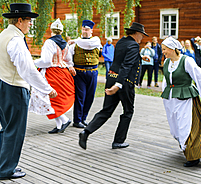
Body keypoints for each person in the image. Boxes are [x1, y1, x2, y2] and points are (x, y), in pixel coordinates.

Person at [0, 3, 57, 180]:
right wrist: (46, 89)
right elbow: (27, 70)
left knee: (7, 129)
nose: (31, 24)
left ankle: (4, 165)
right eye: (29, 20)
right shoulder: (16, 40)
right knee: (15, 130)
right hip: (12, 89)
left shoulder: (3, 35)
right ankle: (6, 170)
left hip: (0, 85)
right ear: (20, 20)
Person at [78, 22, 150, 150]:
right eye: (142, 35)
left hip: (111, 77)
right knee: (128, 111)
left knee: (106, 110)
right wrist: (118, 85)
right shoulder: (133, 45)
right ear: (136, 33)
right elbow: (126, 65)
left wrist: (140, 57)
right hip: (124, 82)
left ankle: (86, 132)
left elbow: (123, 57)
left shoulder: (122, 41)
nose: (142, 38)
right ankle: (118, 141)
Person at [161, 37, 201, 167]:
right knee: (175, 126)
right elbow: (166, 80)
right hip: (171, 99)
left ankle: (193, 154)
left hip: (185, 99)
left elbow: (199, 77)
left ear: (172, 49)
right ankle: (184, 146)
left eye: (165, 49)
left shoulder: (187, 61)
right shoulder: (167, 62)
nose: (163, 51)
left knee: (185, 125)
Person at [32, 18, 75, 134]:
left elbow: (46, 61)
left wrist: (34, 62)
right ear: (61, 32)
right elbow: (68, 60)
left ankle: (64, 120)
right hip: (63, 72)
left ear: (51, 30)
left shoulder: (49, 42)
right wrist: (70, 66)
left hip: (51, 73)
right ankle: (59, 124)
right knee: (55, 99)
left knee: (47, 98)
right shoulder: (65, 44)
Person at [70, 19, 102, 128]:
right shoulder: (74, 45)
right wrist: (70, 66)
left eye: (87, 29)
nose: (85, 31)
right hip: (79, 72)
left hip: (93, 72)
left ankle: (83, 118)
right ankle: (77, 120)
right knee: (80, 96)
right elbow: (69, 57)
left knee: (90, 96)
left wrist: (74, 40)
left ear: (91, 31)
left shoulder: (95, 41)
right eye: (83, 29)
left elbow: (87, 43)